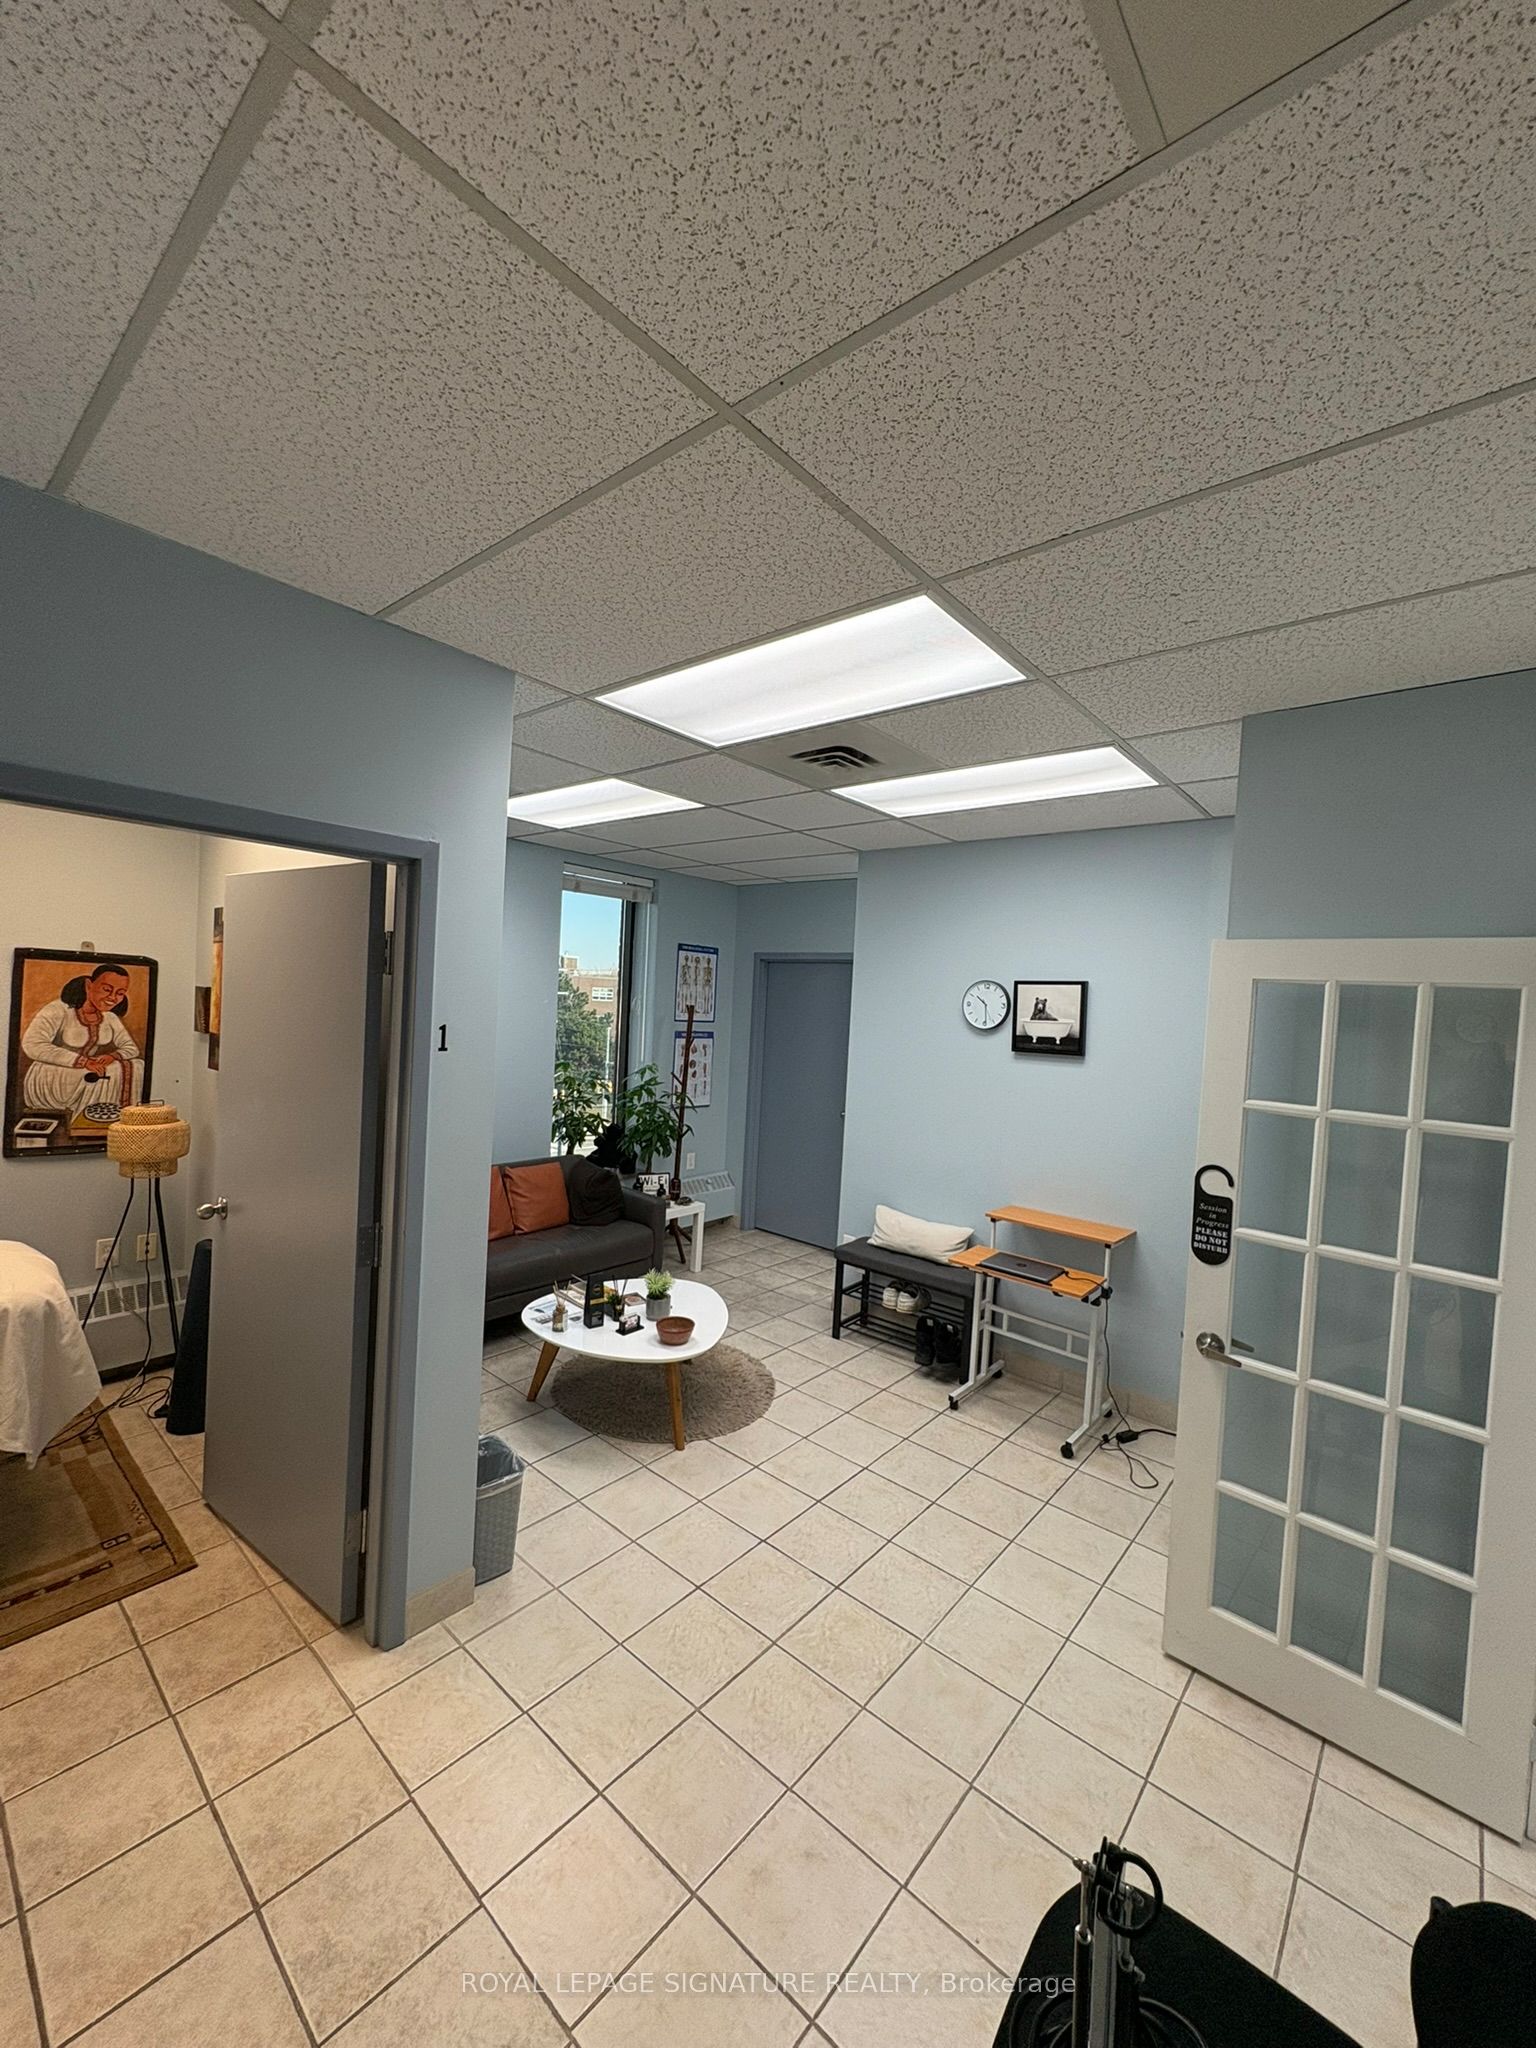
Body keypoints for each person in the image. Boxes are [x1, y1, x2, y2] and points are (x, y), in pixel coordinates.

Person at [20, 962, 144, 1126]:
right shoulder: (58, 1009)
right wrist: (83, 1062)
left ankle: (112, 1121)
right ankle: (88, 1123)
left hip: (91, 1070)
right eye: (107, 990)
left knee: (137, 1065)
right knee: (109, 1072)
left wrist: (111, 1056)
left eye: (120, 993)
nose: (113, 998)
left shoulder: (109, 1017)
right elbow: (32, 1044)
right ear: (88, 985)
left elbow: (131, 1049)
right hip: (53, 1073)